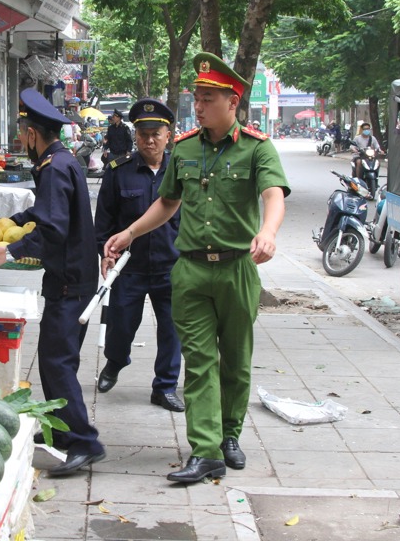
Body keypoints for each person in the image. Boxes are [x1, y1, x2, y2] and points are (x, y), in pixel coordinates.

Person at [104, 52, 289, 484]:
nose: (199, 106)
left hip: (237, 269)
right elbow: (167, 202)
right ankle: (205, 450)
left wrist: (269, 232)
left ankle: (229, 435)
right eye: (198, 97)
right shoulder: (184, 148)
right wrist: (129, 233)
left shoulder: (257, 148)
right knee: (200, 361)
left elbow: (273, 193)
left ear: (233, 102)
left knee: (236, 361)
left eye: (208, 98)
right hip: (189, 270)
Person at [0, 88, 105, 477]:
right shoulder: (61, 162)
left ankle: (84, 441)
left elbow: (52, 226)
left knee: (56, 361)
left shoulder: (53, 168)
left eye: (21, 135)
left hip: (70, 283)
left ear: (32, 134)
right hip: (73, 279)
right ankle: (61, 432)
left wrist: (10, 252)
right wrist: (13, 224)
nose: (20, 142)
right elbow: (44, 211)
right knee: (54, 361)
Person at [94, 99, 183, 412]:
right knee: (120, 325)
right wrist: (104, 253)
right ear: (135, 135)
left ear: (168, 135)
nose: (149, 140)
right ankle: (115, 362)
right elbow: (103, 221)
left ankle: (165, 386)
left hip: (172, 266)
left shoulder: (181, 172)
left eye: (156, 133)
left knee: (172, 330)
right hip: (128, 268)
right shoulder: (119, 172)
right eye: (143, 133)